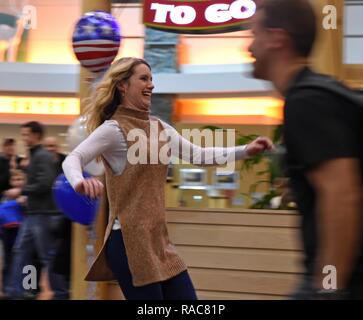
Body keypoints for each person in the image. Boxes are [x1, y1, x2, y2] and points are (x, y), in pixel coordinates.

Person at [62, 57, 274, 300]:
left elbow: (199, 155)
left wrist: (246, 151)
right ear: (122, 85)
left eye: (151, 79)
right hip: (128, 242)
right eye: (143, 78)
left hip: (159, 241)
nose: (151, 84)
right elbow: (73, 158)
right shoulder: (113, 130)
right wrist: (79, 181)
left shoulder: (161, 128)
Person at [249, 0, 363, 299]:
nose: (249, 48)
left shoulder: (307, 100)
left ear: (277, 38)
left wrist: (328, 287)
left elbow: (343, 196)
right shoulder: (320, 92)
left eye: (254, 35)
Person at [5, 121, 69, 300]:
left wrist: (22, 190)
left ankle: (60, 293)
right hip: (34, 214)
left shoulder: (42, 156)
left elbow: (46, 183)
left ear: (35, 135)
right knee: (22, 251)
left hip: (43, 215)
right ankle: (17, 291)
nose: (24, 138)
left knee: (46, 256)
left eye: (26, 134)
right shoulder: (35, 156)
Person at [0, 169, 26, 298]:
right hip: (8, 233)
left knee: (25, 261)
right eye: (15, 180)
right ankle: (7, 289)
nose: (17, 182)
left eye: (20, 179)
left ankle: (27, 287)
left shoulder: (26, 196)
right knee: (8, 261)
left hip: (22, 231)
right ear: (11, 181)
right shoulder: (6, 197)